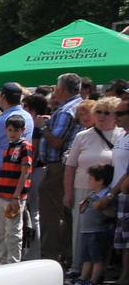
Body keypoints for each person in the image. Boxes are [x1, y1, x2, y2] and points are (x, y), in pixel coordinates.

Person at [65, 98, 117, 273]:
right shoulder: (83, 136)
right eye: (99, 112)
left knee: (104, 232)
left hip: (110, 191)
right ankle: (77, 266)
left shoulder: (122, 135)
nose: (101, 116)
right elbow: (70, 165)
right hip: (82, 188)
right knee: (81, 230)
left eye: (107, 112)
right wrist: (68, 192)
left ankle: (100, 271)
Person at [38, 72, 84, 269]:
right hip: (67, 166)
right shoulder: (77, 105)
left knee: (51, 214)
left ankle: (49, 258)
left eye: (56, 86)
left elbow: (56, 141)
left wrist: (43, 127)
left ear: (61, 89)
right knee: (66, 214)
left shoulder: (66, 110)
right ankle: (66, 256)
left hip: (57, 167)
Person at [0, 114, 34, 264]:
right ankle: (3, 261)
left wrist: (16, 196)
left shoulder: (25, 146)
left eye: (16, 130)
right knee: (0, 233)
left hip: (13, 197)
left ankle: (13, 263)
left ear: (23, 130)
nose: (12, 133)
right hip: (1, 193)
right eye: (10, 130)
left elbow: (25, 172)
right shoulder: (9, 146)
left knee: (12, 233)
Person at [74, 162, 113, 285]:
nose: (88, 182)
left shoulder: (106, 196)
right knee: (87, 258)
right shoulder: (91, 194)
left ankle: (94, 280)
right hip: (86, 230)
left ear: (100, 181)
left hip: (98, 231)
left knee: (97, 258)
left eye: (90, 179)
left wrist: (101, 207)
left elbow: (112, 213)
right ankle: (83, 278)